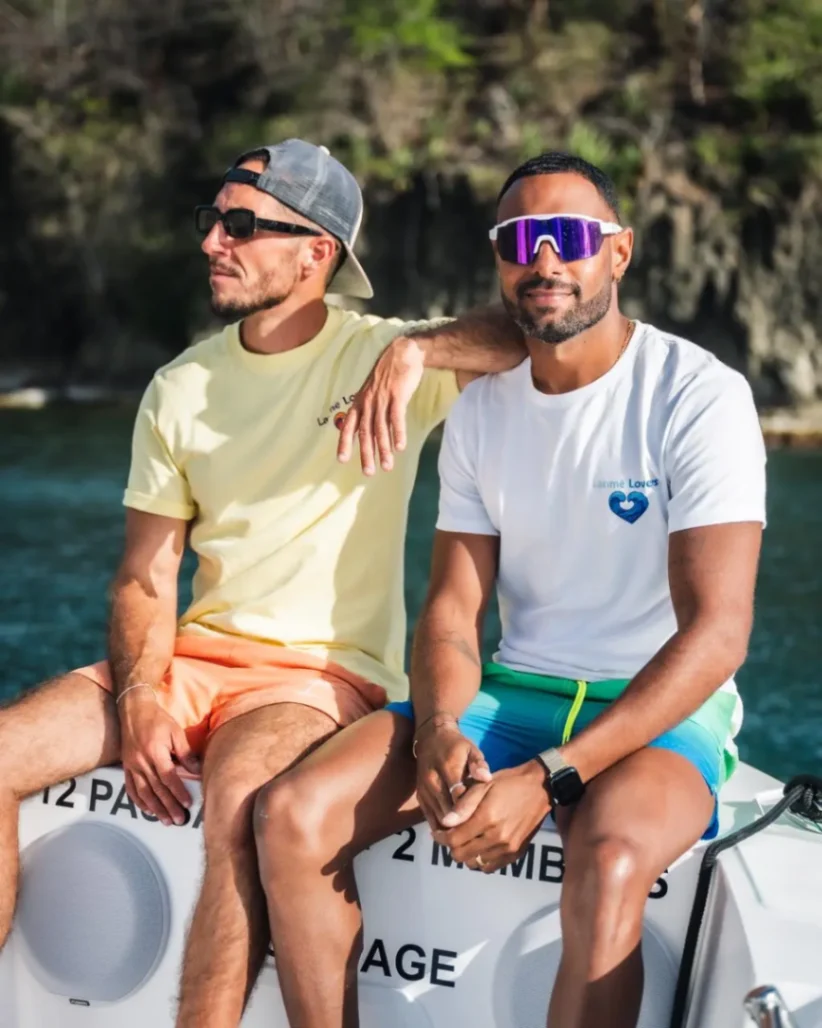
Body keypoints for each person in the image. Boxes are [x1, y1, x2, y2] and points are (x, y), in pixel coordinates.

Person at [0, 139, 527, 1028]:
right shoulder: (180, 387)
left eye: (240, 225)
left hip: (320, 675)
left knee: (241, 802)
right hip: (190, 660)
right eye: (212, 221)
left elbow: (527, 330)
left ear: (317, 252)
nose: (213, 241)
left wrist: (415, 358)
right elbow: (146, 573)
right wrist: (137, 695)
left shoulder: (386, 355)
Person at [254, 151, 767, 1028]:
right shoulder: (482, 409)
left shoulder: (696, 396)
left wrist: (551, 778)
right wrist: (444, 728)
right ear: (498, 259)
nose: (545, 260)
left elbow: (717, 634)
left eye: (569, 237)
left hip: (658, 710)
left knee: (605, 863)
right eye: (519, 240)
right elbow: (454, 611)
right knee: (295, 814)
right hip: (516, 692)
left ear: (619, 253)